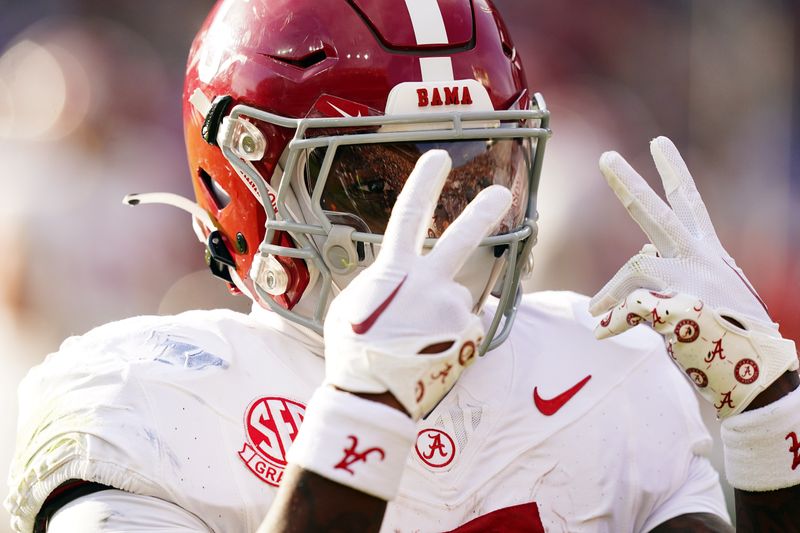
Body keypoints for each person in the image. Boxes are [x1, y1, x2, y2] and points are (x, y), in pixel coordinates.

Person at [5, 1, 799, 531]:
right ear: (244, 181)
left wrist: (772, 434)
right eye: (377, 181)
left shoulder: (604, 375)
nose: (451, 222)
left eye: (475, 170)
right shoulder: (149, 400)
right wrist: (360, 421)